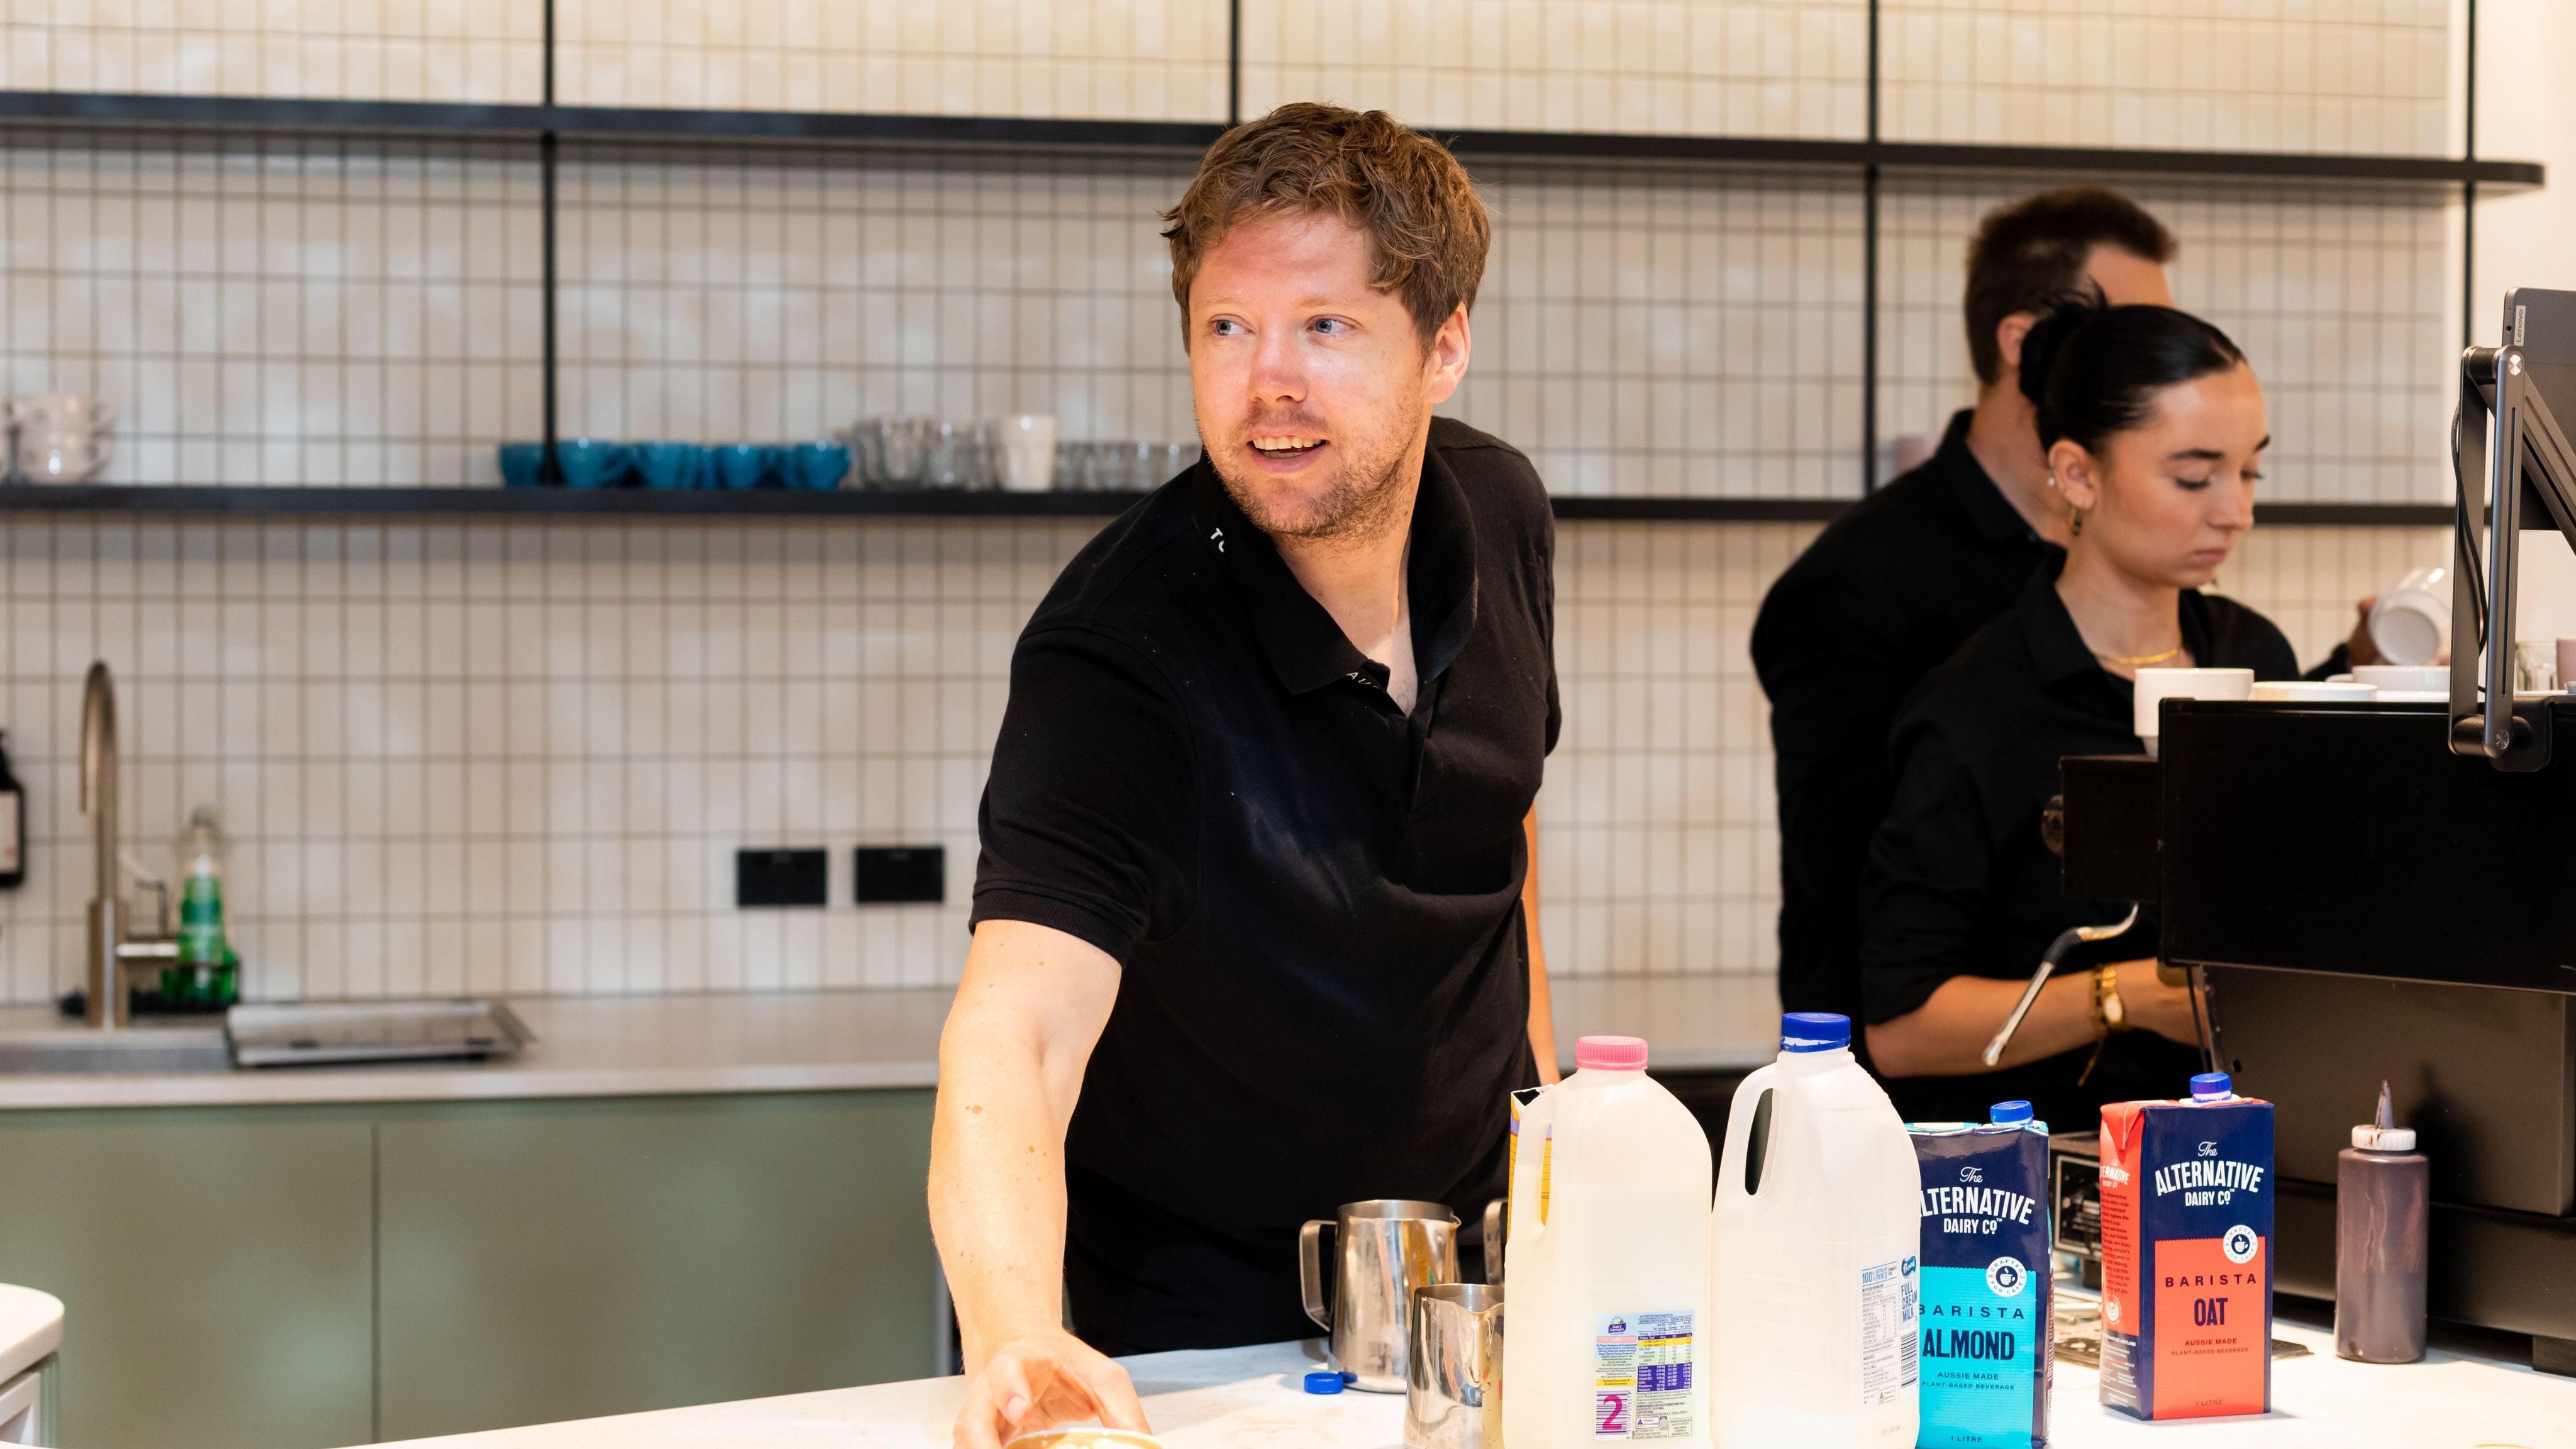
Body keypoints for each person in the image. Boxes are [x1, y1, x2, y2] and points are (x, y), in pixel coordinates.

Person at [929, 103, 1560, 1449]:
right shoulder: (1118, 654)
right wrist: (1013, 1332)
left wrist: (1545, 1140)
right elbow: (1016, 1030)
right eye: (1227, 328)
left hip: (1470, 1297)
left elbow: (1496, 827)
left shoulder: (1498, 515)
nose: (1265, 379)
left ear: (1444, 346)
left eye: (1323, 326)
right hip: (1199, 1337)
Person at [1752, 189, 2180, 1032]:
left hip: (2132, 1087)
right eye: (2127, 338)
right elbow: (1859, 871)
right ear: (2024, 343)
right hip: (1917, 1104)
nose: (2158, 368)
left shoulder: (2142, 564)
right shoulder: (1856, 583)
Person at [1857, 299, 2292, 1128]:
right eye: (2195, 477)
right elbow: (1903, 1030)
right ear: (2077, 473)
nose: (2235, 510)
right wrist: (2125, 995)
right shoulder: (1977, 709)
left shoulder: (2256, 658)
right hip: (2035, 1178)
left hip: (2237, 1160)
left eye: (2250, 472)